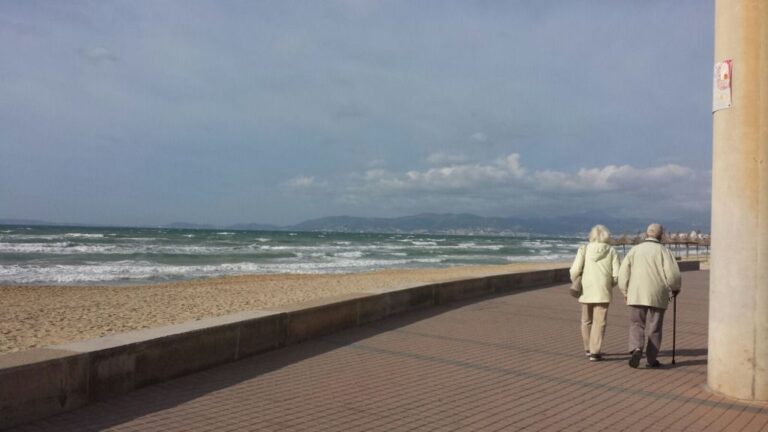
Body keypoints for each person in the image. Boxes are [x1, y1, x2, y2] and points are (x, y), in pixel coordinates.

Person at [618, 223, 681, 368]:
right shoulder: (664, 251)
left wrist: (625, 291)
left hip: (637, 293)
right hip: (658, 294)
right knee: (655, 327)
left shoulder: (635, 250)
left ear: (647, 234)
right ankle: (651, 360)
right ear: (660, 235)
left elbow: (623, 273)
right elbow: (673, 275)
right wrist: (676, 288)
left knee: (636, 324)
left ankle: (637, 348)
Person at [570, 224, 620, 361]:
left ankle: (587, 348)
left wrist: (576, 280)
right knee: (600, 322)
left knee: (586, 321)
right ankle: (595, 352)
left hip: (586, 289)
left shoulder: (584, 249)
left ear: (592, 235)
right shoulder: (611, 251)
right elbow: (617, 275)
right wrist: (610, 284)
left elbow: (574, 270)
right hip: (603, 290)